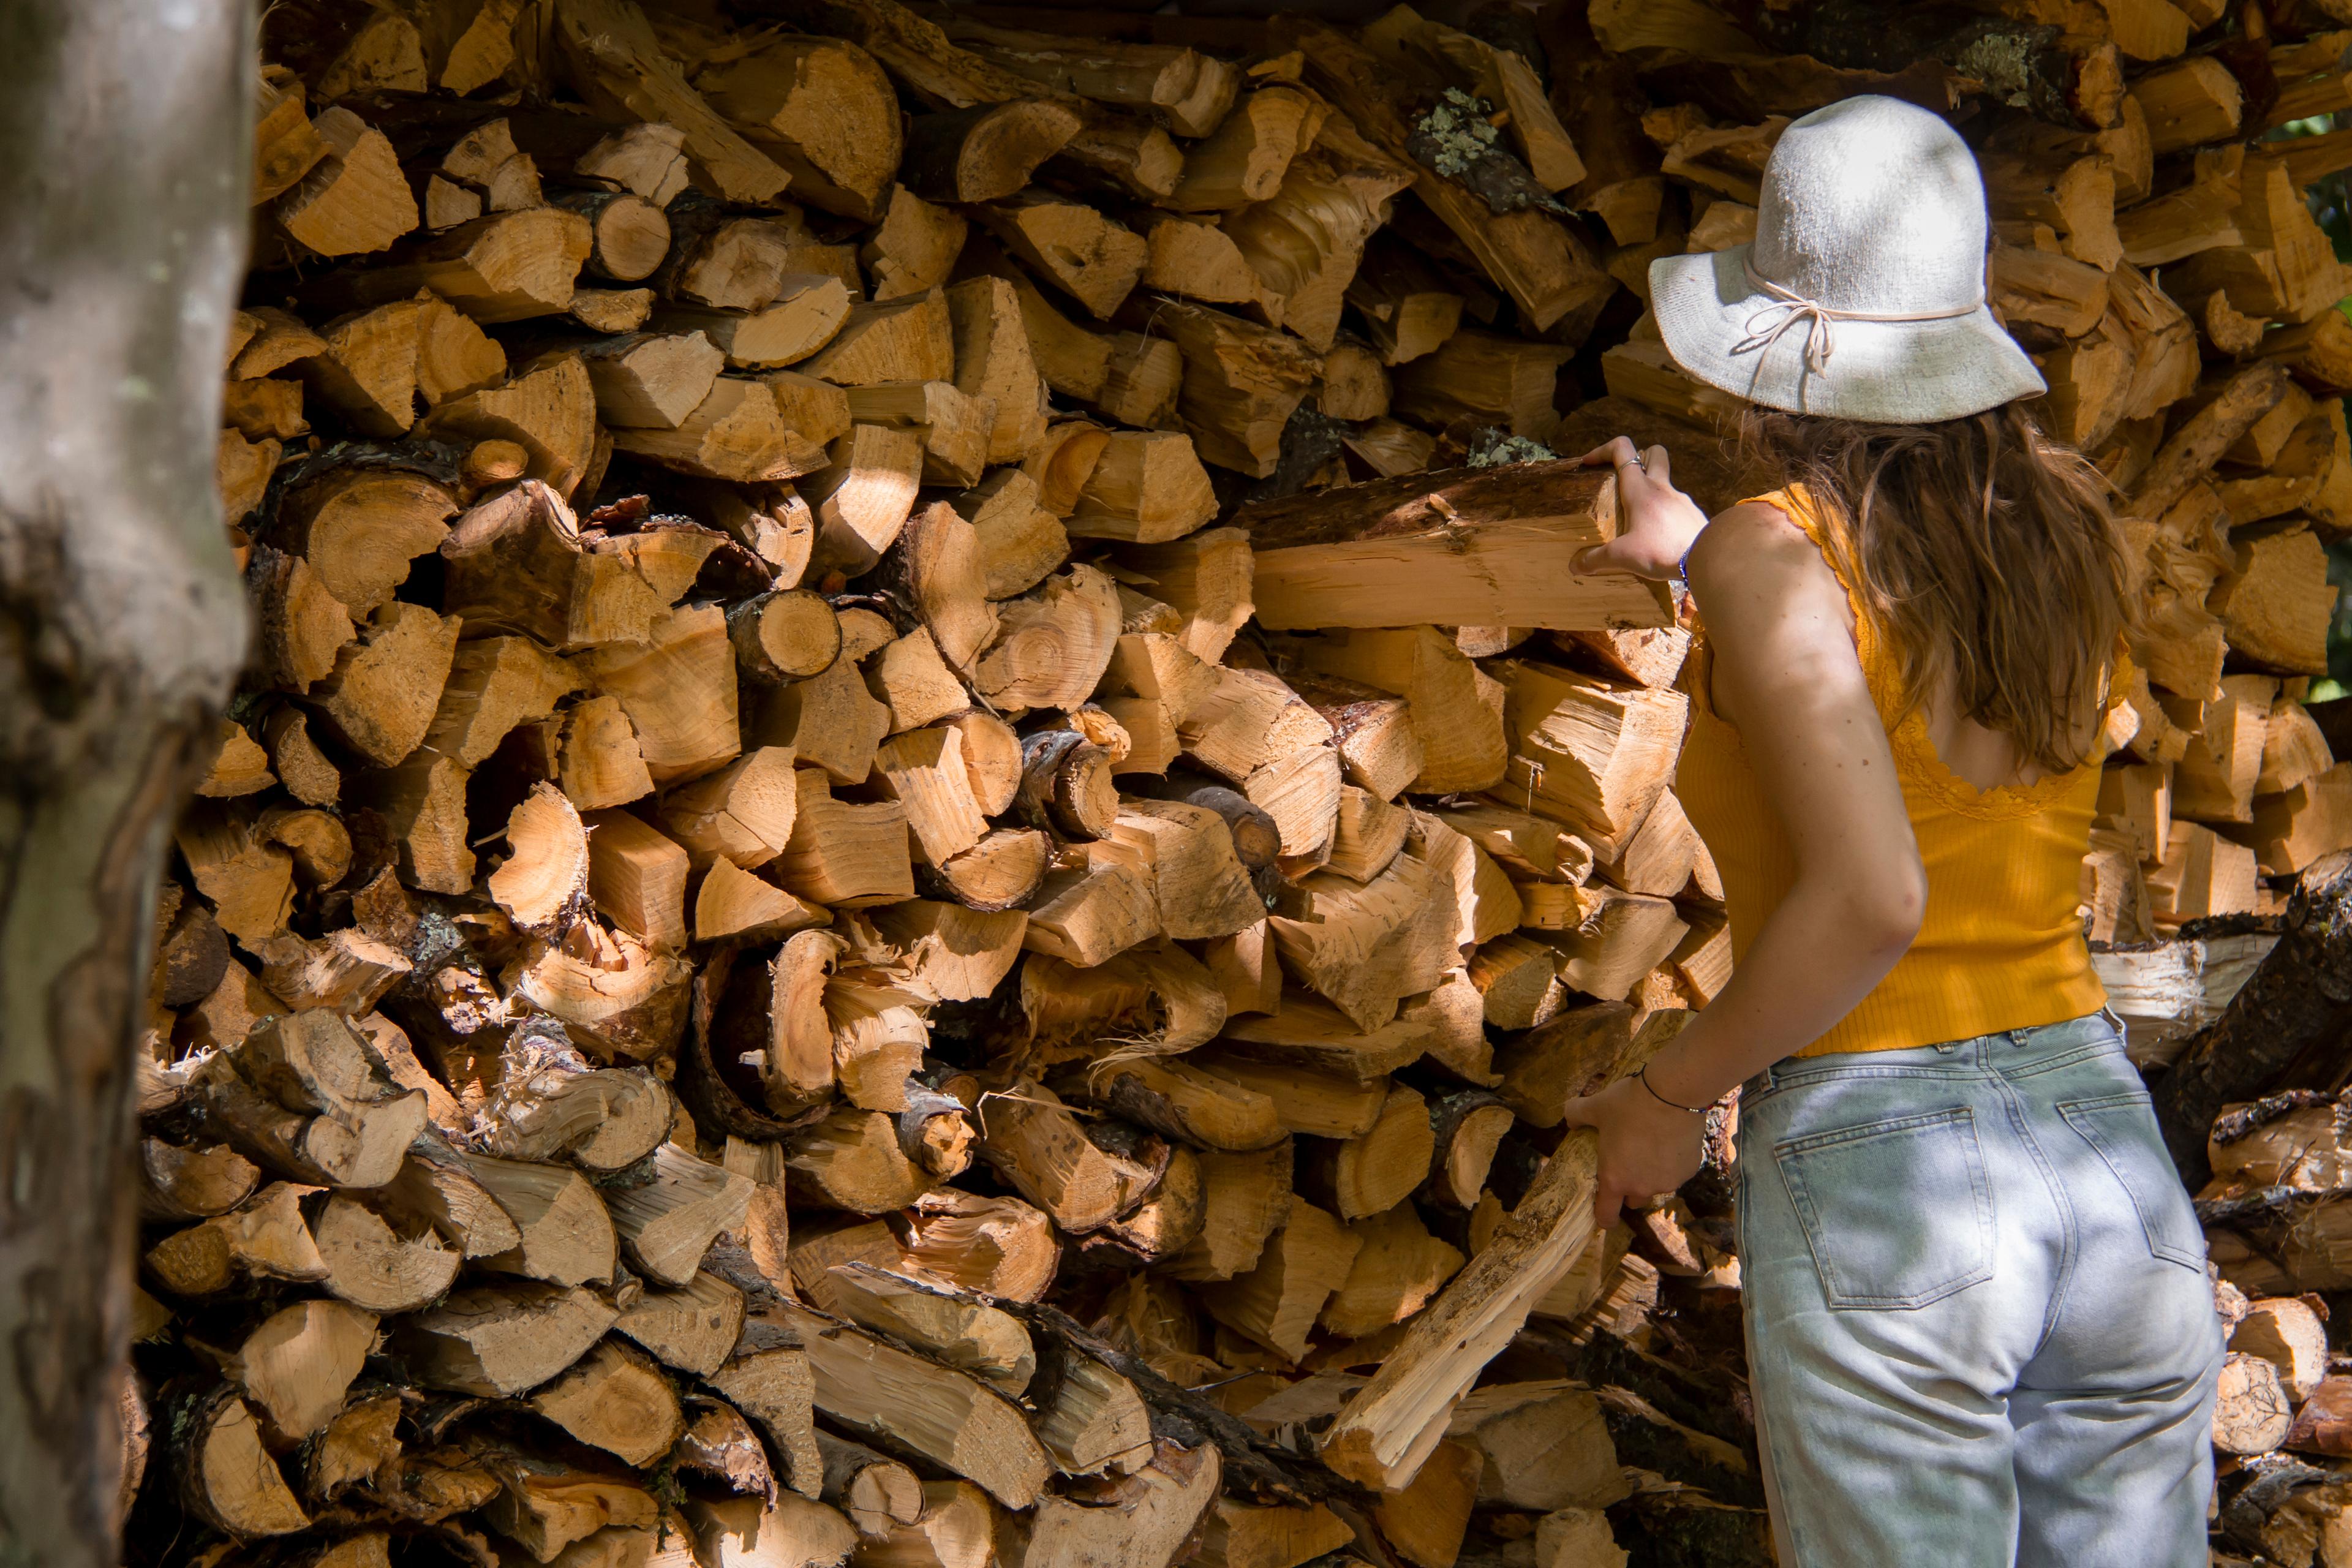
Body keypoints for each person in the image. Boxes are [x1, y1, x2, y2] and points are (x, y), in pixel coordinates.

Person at [1560, 96, 2222, 1568]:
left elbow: (1874, 895)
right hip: (2102, 1146)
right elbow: (1900, 673)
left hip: (1893, 1167)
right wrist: (1700, 574)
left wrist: (1672, 1096)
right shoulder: (2063, 524)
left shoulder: (1772, 552)